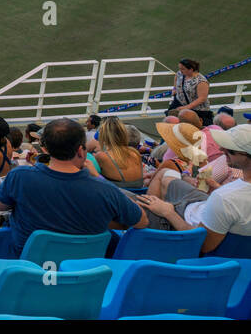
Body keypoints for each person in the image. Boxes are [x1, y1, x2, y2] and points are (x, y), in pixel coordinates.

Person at [0, 118, 143, 254]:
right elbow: (141, 220)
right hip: (82, 271)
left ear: (45, 149)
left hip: (28, 265)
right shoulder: (105, 190)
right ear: (80, 150)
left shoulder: (20, 177)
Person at [134, 124, 251, 254]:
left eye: (231, 150)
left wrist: (168, 212)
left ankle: (151, 233)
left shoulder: (225, 198)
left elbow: (202, 244)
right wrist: (217, 188)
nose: (221, 149)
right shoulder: (228, 195)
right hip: (205, 205)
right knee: (166, 175)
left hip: (185, 218)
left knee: (128, 201)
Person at [90, 116, 144, 189]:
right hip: (139, 192)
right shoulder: (134, 152)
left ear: (103, 136)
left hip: (120, 195)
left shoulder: (102, 156)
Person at [168, 58, 212, 125]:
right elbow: (176, 76)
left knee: (195, 126)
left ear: (191, 69)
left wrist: (186, 107)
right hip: (179, 102)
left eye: (182, 69)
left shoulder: (201, 81)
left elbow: (202, 98)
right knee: (171, 119)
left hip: (197, 109)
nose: (180, 71)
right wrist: (174, 88)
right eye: (180, 68)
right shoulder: (180, 73)